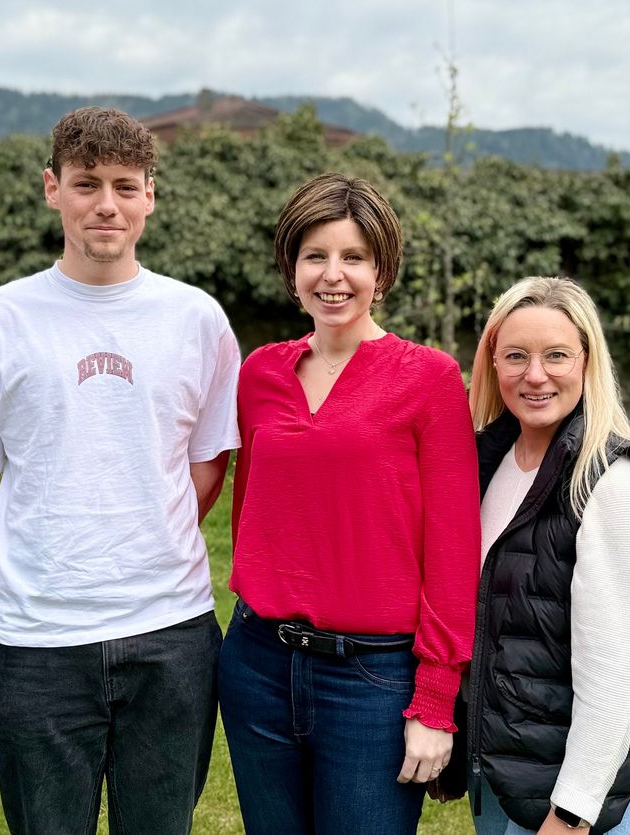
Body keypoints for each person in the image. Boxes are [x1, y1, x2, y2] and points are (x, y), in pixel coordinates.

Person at [0, 107, 240, 835]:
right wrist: (41, 555)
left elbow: (206, 466)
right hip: (38, 639)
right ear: (52, 188)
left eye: (125, 186)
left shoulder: (197, 320)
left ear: (150, 195)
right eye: (86, 183)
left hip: (171, 630)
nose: (107, 203)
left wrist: (142, 538)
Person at [219, 172, 480, 834]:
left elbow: (453, 548)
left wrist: (435, 698)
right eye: (316, 256)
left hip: (373, 680)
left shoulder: (429, 378)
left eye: (354, 257)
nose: (333, 275)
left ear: (381, 269)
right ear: (291, 267)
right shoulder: (261, 374)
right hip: (258, 664)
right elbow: (253, 511)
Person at [466, 276, 630, 834]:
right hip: (506, 782)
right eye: (516, 356)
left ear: (588, 361)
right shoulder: (489, 463)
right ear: (492, 363)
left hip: (572, 802)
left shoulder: (611, 483)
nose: (535, 375)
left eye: (556, 355)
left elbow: (619, 674)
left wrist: (572, 812)